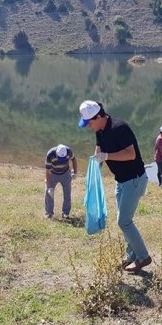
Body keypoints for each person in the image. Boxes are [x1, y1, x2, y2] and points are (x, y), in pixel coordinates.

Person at [79, 100, 152, 272]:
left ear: (98, 116)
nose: (89, 126)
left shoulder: (119, 128)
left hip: (134, 179)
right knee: (124, 220)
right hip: (121, 180)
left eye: (89, 122)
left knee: (124, 221)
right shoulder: (100, 130)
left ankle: (143, 257)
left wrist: (106, 156)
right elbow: (99, 147)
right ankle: (131, 255)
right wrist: (96, 163)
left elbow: (130, 154)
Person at [44, 144, 78, 220]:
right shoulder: (50, 154)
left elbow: (74, 159)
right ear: (56, 154)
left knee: (67, 194)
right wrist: (49, 185)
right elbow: (48, 171)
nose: (61, 160)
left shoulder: (69, 151)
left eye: (63, 158)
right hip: (53, 174)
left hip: (65, 173)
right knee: (49, 193)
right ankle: (49, 214)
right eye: (60, 158)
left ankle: (65, 213)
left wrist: (75, 172)